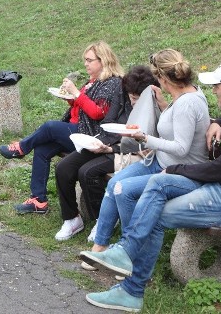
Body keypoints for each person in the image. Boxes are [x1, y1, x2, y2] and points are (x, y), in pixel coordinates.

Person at [81, 61, 221, 313]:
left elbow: (218, 170)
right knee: (157, 184)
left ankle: (130, 284)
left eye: (217, 87)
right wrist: (220, 121)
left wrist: (175, 168)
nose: (213, 91)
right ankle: (126, 262)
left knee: (155, 207)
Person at [85, 49, 211, 265]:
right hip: (161, 162)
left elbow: (181, 148)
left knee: (123, 190)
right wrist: (162, 105)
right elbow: (176, 127)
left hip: (182, 173)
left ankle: (129, 252)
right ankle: (101, 245)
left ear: (162, 78)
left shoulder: (188, 103)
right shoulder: (182, 96)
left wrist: (144, 138)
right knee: (115, 182)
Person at [0, 41, 125, 214]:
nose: (85, 63)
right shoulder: (93, 81)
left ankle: (21, 147)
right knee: (42, 148)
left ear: (103, 60)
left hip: (89, 134)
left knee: (50, 127)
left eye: (89, 60)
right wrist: (70, 96)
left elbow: (97, 113)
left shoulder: (112, 83)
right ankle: (38, 201)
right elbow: (82, 105)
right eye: (85, 60)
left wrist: (76, 93)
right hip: (75, 128)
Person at [53, 65, 158, 241]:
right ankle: (72, 218)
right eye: (131, 97)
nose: (133, 102)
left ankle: (101, 220)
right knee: (63, 167)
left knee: (87, 172)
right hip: (108, 142)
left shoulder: (154, 106)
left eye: (137, 98)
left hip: (127, 153)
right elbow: (109, 120)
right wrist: (102, 142)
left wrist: (111, 148)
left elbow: (145, 144)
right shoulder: (122, 91)